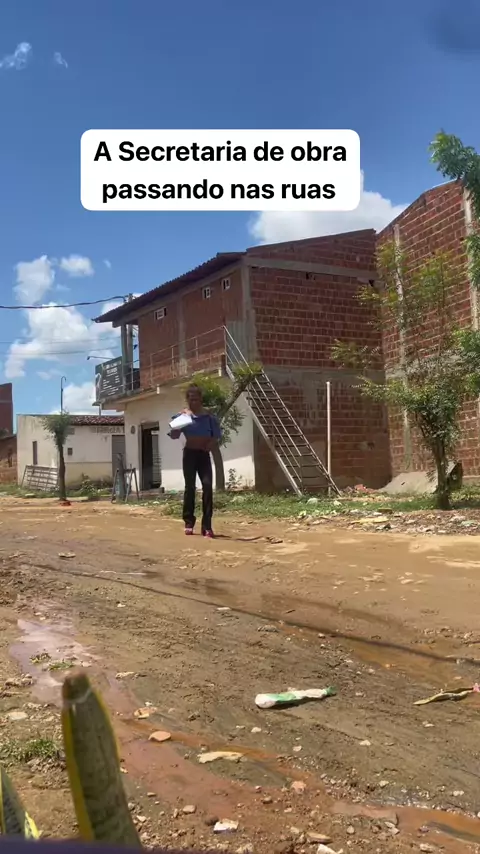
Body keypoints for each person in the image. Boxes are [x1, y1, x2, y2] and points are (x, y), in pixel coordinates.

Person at [169, 384, 222, 538]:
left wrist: (209, 445)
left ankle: (207, 526)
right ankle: (189, 522)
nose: (194, 402)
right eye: (191, 399)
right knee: (190, 487)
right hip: (190, 455)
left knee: (207, 486)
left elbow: (216, 436)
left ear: (201, 399)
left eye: (197, 399)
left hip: (203, 455)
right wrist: (176, 428)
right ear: (188, 400)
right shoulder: (183, 417)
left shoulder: (209, 417)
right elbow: (174, 435)